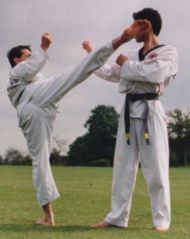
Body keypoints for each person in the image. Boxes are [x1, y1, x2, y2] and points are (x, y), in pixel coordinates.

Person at [6, 24, 147, 226]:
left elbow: (38, 72)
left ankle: (48, 216)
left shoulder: (30, 78)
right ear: (17, 60)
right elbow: (33, 65)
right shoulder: (17, 71)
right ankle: (118, 40)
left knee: (41, 160)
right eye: (27, 55)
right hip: (32, 103)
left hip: (39, 108)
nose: (30, 57)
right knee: (78, 72)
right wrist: (43, 48)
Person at [83, 8, 178, 231]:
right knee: (123, 166)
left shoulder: (168, 52)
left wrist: (127, 66)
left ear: (146, 25)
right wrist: (91, 56)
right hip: (128, 110)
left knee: (156, 166)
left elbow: (155, 74)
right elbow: (112, 73)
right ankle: (117, 217)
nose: (132, 31)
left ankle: (161, 220)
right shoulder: (135, 55)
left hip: (151, 110)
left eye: (135, 26)